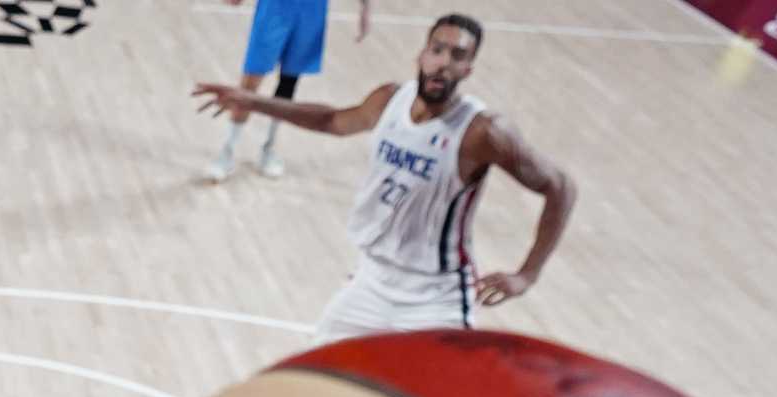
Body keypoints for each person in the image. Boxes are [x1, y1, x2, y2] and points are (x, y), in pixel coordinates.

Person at [193, 15, 577, 341]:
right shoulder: (389, 101)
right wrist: (255, 102)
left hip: (435, 296)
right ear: (422, 54)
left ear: (467, 70)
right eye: (438, 49)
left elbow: (560, 187)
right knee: (318, 386)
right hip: (371, 279)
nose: (443, 62)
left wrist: (527, 275)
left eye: (457, 56)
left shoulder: (483, 132)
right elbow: (331, 120)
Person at [203, 0, 370, 184]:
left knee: (289, 82)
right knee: (250, 82)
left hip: (312, 11)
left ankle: (268, 148)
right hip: (275, 7)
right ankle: (227, 151)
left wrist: (365, 8)